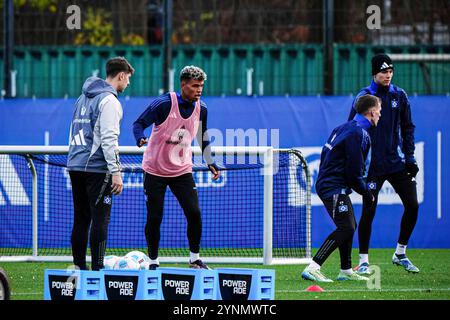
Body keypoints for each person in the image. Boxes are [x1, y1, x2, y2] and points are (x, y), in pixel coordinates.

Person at [133, 65, 220, 270]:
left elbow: (202, 136)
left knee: (194, 213)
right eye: (195, 86)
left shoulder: (202, 108)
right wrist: (140, 138)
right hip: (154, 171)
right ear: (183, 85)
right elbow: (138, 124)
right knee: (155, 217)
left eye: (201, 86)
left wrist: (210, 162)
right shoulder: (164, 104)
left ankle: (195, 259)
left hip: (181, 171)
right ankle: (153, 261)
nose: (199, 90)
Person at [350, 54, 420, 275]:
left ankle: (400, 253)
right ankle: (363, 261)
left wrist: (410, 157)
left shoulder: (399, 95)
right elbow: (352, 129)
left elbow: (408, 127)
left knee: (413, 205)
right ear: (374, 74)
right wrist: (357, 162)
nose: (388, 75)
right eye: (383, 72)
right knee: (369, 211)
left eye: (390, 71)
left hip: (396, 163)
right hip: (372, 167)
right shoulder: (365, 97)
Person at [301, 95, 381, 282]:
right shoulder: (359, 133)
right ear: (371, 112)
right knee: (346, 227)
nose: (380, 114)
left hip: (332, 183)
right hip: (333, 185)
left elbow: (326, 153)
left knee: (349, 226)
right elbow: (354, 172)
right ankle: (313, 267)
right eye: (379, 110)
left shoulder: (344, 127)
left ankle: (345, 270)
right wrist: (367, 193)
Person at [67, 57, 134, 271]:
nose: (128, 84)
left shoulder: (81, 98)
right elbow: (109, 139)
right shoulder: (110, 101)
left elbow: (73, 132)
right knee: (100, 219)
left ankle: (79, 268)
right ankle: (97, 272)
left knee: (81, 219)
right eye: (128, 79)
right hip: (96, 168)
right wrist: (116, 171)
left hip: (75, 165)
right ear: (121, 75)